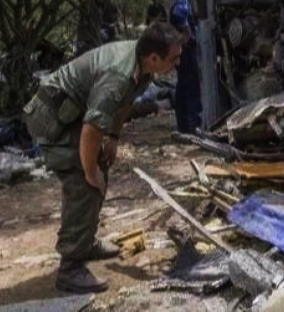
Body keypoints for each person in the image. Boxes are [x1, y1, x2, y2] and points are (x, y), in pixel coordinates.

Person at [22, 22, 182, 293]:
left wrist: (114, 139)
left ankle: (86, 243)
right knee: (83, 183)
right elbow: (91, 128)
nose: (176, 64)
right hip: (53, 117)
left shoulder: (141, 67)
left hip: (77, 115)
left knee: (100, 170)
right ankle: (70, 267)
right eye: (173, 59)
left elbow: (124, 105)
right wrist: (89, 171)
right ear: (154, 58)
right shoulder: (118, 74)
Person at [169, 0, 201, 134]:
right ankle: (195, 126)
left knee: (183, 86)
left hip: (182, 51)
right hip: (187, 52)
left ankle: (184, 126)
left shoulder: (179, 1)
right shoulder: (183, 2)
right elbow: (180, 17)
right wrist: (187, 35)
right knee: (193, 87)